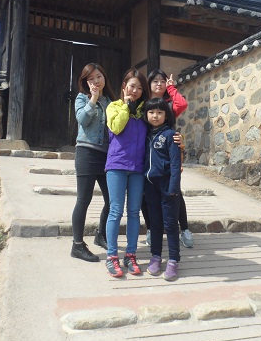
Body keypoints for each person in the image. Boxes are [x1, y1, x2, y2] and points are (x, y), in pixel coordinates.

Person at [104, 68, 149, 277]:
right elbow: (116, 127)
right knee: (115, 211)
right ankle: (112, 256)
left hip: (138, 168)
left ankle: (130, 254)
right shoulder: (114, 106)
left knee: (133, 212)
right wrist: (126, 107)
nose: (135, 91)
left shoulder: (144, 113)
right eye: (132, 86)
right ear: (124, 87)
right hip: (117, 165)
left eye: (139, 88)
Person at [142, 69, 194, 248]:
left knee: (175, 193)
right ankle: (151, 229)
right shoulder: (144, 104)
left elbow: (182, 104)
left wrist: (171, 88)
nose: (159, 84)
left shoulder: (169, 104)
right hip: (146, 154)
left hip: (167, 153)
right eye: (155, 81)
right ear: (148, 84)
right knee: (145, 196)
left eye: (162, 81)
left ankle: (184, 229)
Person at [70, 63, 116, 262]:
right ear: (85, 82)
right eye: (91, 78)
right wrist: (93, 98)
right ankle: (77, 245)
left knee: (111, 200)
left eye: (98, 76)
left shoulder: (111, 102)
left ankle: (101, 235)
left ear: (104, 77)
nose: (96, 81)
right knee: (83, 200)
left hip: (107, 156)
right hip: (87, 153)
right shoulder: (82, 98)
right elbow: (82, 120)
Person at [143, 97, 183, 281]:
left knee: (170, 224)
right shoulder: (145, 135)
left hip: (168, 186)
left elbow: (175, 164)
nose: (155, 116)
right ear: (146, 114)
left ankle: (173, 260)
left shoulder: (170, 135)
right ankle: (156, 256)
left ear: (166, 115)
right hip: (150, 186)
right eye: (151, 112)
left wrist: (174, 187)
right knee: (155, 224)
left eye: (160, 112)